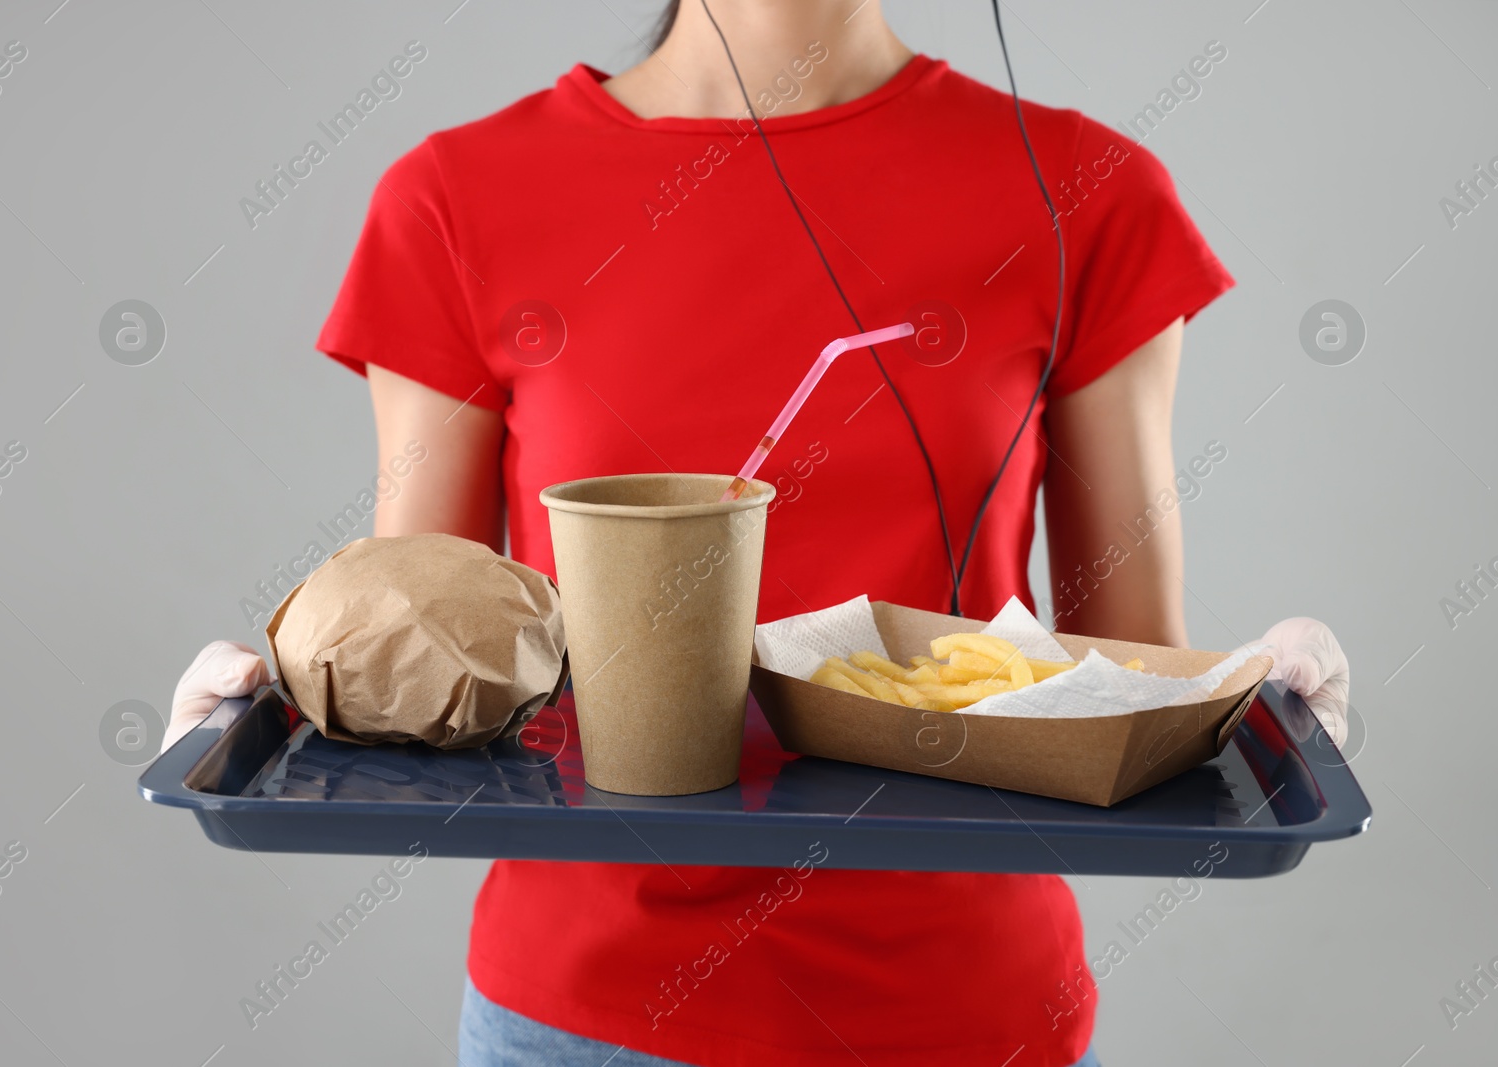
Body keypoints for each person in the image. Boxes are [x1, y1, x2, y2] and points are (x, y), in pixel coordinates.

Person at [164, 2, 1351, 1064]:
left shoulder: (1086, 191)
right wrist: (282, 696)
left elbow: (1127, 663)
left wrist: (1265, 694)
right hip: (582, 1021)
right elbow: (423, 649)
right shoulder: (457, 197)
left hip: (972, 1017)